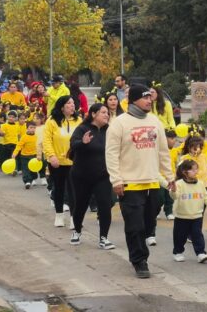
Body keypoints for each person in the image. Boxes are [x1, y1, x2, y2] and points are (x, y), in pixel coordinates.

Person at [105, 84, 174, 278]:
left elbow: (163, 152)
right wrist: (116, 180)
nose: (150, 100)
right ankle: (139, 260)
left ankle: (139, 251)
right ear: (134, 99)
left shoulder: (154, 121)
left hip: (152, 182)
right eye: (145, 98)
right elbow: (111, 154)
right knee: (135, 225)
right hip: (129, 183)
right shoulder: (119, 123)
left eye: (150, 97)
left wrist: (170, 177)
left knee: (147, 223)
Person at [68, 103, 115, 250]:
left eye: (107, 113)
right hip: (82, 176)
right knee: (80, 205)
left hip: (103, 176)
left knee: (105, 206)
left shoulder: (110, 131)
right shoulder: (83, 128)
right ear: (93, 114)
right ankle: (77, 231)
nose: (107, 115)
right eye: (103, 112)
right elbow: (73, 145)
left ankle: (104, 238)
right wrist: (82, 142)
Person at [43, 95, 80, 228]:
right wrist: (52, 156)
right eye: (69, 103)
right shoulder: (51, 121)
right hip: (57, 162)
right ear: (62, 107)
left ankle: (73, 218)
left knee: (74, 191)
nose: (72, 105)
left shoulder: (79, 120)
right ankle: (59, 215)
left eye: (73, 103)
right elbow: (46, 140)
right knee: (58, 189)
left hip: (74, 162)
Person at [171, 159, 207, 263]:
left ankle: (201, 253)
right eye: (193, 170)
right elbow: (174, 196)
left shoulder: (200, 184)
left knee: (197, 235)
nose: (196, 172)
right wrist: (173, 190)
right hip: (182, 216)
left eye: (197, 169)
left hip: (197, 215)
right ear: (185, 172)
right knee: (180, 236)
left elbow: (205, 196)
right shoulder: (179, 184)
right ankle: (178, 252)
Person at [12, 121, 38, 189]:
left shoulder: (37, 136)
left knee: (33, 170)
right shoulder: (24, 137)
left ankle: (33, 178)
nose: (32, 129)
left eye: (34, 128)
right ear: (27, 129)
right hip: (25, 156)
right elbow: (19, 146)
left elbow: (41, 145)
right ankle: (27, 182)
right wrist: (15, 153)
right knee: (25, 169)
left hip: (34, 156)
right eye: (31, 127)